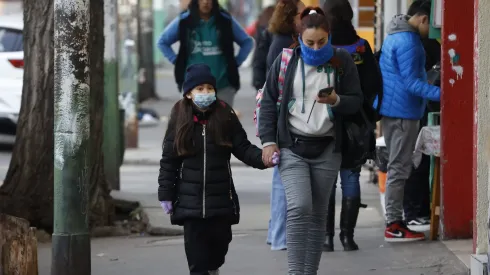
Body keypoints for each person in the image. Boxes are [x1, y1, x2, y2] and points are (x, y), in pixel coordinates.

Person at [259, 7, 362, 274]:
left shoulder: (342, 61)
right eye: (310, 42)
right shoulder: (286, 61)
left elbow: (356, 101)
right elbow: (269, 101)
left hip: (328, 148)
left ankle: (309, 272)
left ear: (329, 36)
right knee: (299, 206)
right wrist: (269, 141)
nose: (316, 47)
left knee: (317, 215)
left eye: (322, 42)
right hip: (292, 146)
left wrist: (336, 100)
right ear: (299, 38)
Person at [158, 64, 271, 275]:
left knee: (220, 246)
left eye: (209, 88)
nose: (205, 93)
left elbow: (243, 148)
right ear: (189, 94)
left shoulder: (224, 114)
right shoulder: (179, 116)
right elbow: (169, 160)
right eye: (199, 89)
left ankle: (213, 267)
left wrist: (264, 159)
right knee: (197, 262)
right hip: (189, 203)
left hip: (220, 200)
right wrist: (165, 193)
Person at [373, 0, 440, 242]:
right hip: (403, 113)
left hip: (394, 111)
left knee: (397, 166)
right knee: (399, 168)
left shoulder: (395, 33)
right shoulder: (409, 42)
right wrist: (445, 94)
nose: (432, 32)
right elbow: (412, 83)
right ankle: (394, 224)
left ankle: (395, 221)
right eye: (431, 25)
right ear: (423, 19)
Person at [322, 0, 382, 252]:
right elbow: (374, 84)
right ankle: (348, 237)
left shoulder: (322, 46)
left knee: (326, 181)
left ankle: (326, 238)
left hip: (325, 123)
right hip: (356, 124)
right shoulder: (361, 46)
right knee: (350, 176)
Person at [254, 0, 305, 251]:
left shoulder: (282, 40)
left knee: (281, 179)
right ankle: (280, 236)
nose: (305, 16)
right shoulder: (284, 44)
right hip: (282, 120)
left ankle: (276, 232)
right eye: (301, 12)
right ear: (290, 17)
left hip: (279, 119)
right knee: (283, 180)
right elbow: (278, 89)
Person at [156, 0, 253, 107]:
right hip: (193, 87)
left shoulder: (225, 21)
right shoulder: (184, 21)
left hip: (223, 86)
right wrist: (177, 61)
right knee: (192, 122)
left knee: (222, 123)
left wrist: (236, 62)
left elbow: (247, 42)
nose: (206, 2)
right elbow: (162, 42)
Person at [402, 0, 441, 232]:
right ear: (424, 18)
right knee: (416, 160)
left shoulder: (404, 38)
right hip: (412, 108)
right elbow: (412, 82)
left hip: (410, 108)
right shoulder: (416, 42)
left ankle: (415, 211)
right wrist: (440, 91)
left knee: (415, 159)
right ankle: (414, 212)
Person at [253, 0, 306, 91]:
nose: (307, 18)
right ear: (290, 18)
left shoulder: (286, 38)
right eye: (303, 14)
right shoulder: (285, 43)